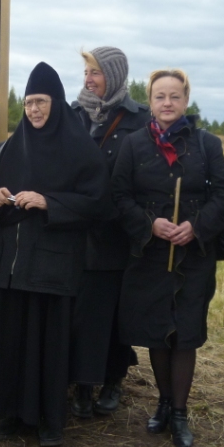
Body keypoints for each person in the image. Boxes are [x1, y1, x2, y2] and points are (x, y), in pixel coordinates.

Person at [0, 62, 110, 447]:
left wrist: (50, 202)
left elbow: (98, 204)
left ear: (57, 103)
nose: (34, 110)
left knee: (46, 346)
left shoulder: (82, 152)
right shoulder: (7, 151)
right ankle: (11, 414)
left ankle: (49, 419)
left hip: (50, 267)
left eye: (41, 102)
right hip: (7, 269)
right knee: (9, 341)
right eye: (29, 102)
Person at [111, 68, 224, 447]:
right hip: (149, 254)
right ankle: (163, 404)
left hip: (193, 256)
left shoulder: (207, 144)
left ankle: (180, 413)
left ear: (186, 100)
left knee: (185, 334)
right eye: (160, 96)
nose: (167, 103)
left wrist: (196, 226)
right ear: (150, 101)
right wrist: (150, 225)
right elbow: (118, 196)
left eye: (175, 96)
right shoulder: (133, 145)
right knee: (157, 333)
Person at [68, 47, 147, 417]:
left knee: (116, 315)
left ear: (114, 75)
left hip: (118, 236)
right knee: (80, 313)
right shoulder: (71, 117)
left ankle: (113, 380)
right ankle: (82, 384)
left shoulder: (139, 119)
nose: (88, 79)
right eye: (86, 71)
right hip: (75, 234)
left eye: (95, 72)